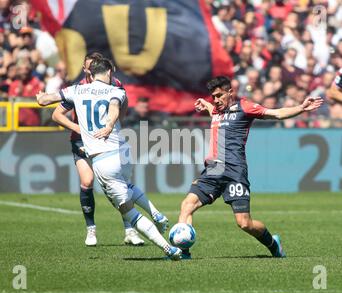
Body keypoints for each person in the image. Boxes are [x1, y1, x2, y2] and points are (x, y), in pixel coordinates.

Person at [36, 57, 182, 260]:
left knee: (128, 211)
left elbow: (45, 101)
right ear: (110, 71)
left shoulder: (76, 89)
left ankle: (169, 249)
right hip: (122, 151)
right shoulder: (117, 90)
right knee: (127, 185)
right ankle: (157, 214)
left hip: (103, 159)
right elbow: (114, 108)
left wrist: (41, 97)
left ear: (90, 73)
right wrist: (110, 124)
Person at [177, 76, 324, 259]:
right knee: (187, 205)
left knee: (245, 223)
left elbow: (275, 113)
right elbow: (214, 112)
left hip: (234, 171)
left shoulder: (244, 107)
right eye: (212, 97)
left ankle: (273, 243)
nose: (215, 100)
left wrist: (301, 108)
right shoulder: (216, 110)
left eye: (219, 95)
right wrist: (205, 104)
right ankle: (182, 253)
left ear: (230, 92)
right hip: (213, 170)